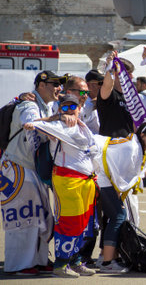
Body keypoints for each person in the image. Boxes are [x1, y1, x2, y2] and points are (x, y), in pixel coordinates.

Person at [0, 70, 68, 275]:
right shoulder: (30, 105)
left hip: (31, 168)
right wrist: (56, 119)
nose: (59, 88)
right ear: (40, 86)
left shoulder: (45, 105)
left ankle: (38, 260)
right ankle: (20, 264)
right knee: (24, 217)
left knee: (41, 217)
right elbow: (34, 126)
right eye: (55, 84)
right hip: (17, 168)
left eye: (60, 84)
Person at [23, 94, 98, 278]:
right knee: (68, 222)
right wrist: (57, 117)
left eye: (73, 107)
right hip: (67, 179)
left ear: (80, 108)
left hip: (87, 180)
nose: (70, 110)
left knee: (83, 224)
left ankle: (76, 260)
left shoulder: (83, 126)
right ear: (59, 109)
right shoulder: (57, 126)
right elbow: (33, 123)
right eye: (64, 107)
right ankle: (61, 263)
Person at [97, 120, 146, 273]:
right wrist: (118, 196)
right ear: (143, 135)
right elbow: (121, 177)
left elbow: (130, 176)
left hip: (104, 177)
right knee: (119, 216)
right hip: (102, 177)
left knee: (116, 216)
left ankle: (108, 257)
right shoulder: (132, 148)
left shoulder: (138, 148)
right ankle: (106, 262)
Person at [97, 51, 135, 138]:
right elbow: (107, 85)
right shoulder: (109, 93)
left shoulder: (129, 96)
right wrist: (111, 66)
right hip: (111, 145)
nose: (132, 77)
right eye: (129, 73)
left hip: (128, 144)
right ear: (119, 74)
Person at [83, 69, 103, 134]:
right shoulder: (82, 102)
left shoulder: (106, 100)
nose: (103, 86)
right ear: (88, 85)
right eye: (100, 83)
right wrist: (92, 106)